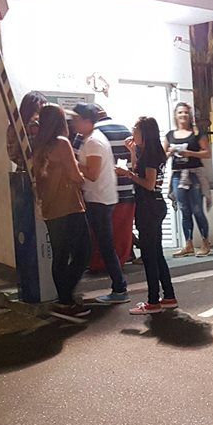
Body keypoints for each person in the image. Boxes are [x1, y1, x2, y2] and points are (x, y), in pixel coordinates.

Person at [32, 105, 91, 323]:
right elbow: (76, 176)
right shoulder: (62, 143)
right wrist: (81, 175)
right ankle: (65, 299)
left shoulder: (39, 145)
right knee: (83, 252)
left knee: (60, 255)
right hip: (69, 206)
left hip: (51, 207)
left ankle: (65, 301)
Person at [117, 116, 178, 315]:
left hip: (149, 207)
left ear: (144, 132)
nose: (132, 132)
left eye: (135, 128)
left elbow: (149, 184)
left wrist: (127, 174)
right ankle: (168, 296)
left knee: (149, 256)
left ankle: (153, 302)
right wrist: (132, 152)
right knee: (156, 254)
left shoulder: (151, 155)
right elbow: (140, 172)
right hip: (154, 206)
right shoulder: (151, 152)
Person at [73, 103, 128, 304]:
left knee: (104, 245)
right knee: (101, 245)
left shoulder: (94, 142)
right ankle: (119, 287)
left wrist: (72, 163)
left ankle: (120, 288)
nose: (74, 124)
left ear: (88, 120)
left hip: (99, 199)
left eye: (77, 119)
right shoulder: (91, 139)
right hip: (99, 198)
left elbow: (93, 174)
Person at [164, 102, 212, 257]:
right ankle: (188, 244)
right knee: (184, 210)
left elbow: (207, 153)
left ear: (190, 115)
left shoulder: (197, 134)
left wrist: (190, 153)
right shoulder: (170, 135)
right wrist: (171, 152)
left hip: (194, 174)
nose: (183, 115)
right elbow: (162, 155)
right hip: (178, 175)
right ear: (175, 115)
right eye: (180, 112)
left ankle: (205, 242)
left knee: (197, 209)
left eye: (185, 112)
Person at [93, 105, 136, 267]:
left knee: (100, 232)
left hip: (100, 192)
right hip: (126, 190)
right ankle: (120, 262)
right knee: (122, 230)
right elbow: (135, 160)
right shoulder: (125, 130)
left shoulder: (91, 133)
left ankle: (100, 264)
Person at [7, 91, 47, 171]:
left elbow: (11, 154)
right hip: (39, 171)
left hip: (22, 170)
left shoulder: (13, 126)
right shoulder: (36, 124)